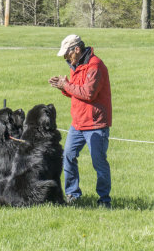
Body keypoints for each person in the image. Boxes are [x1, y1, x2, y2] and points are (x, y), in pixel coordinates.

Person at [48, 34, 112, 208]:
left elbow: (88, 94)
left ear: (77, 49)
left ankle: (104, 200)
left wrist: (66, 85)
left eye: (67, 54)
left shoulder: (95, 66)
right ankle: (73, 195)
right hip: (77, 123)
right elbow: (76, 92)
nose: (65, 58)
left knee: (98, 163)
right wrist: (63, 86)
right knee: (68, 156)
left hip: (95, 124)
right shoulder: (75, 65)